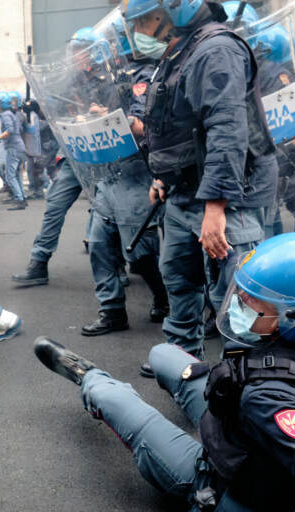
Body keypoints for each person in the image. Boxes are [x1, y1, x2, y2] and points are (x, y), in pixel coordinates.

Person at [34, 232, 295, 510]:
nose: (242, 305)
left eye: (254, 303)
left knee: (120, 403)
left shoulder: (274, 402)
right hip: (243, 430)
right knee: (162, 353)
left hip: (224, 480)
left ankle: (88, 378)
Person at [122, 0, 278, 375]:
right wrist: (164, 177)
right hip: (185, 189)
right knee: (179, 276)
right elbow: (175, 125)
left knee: (235, 294)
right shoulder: (182, 50)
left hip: (226, 196)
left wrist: (216, 206)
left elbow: (226, 129)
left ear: (176, 9)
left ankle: (246, 376)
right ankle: (182, 356)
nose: (141, 30)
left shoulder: (216, 49)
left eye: (146, 19)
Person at [76, 23, 169, 335]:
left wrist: (115, 118)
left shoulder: (143, 74)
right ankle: (112, 310)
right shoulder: (103, 79)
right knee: (100, 244)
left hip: (134, 172)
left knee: (139, 251)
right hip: (108, 171)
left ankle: (163, 297)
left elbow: (142, 125)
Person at [0, 91, 27, 210]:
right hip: (19, 147)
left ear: (2, 104)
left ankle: (19, 199)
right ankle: (22, 199)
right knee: (16, 175)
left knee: (10, 176)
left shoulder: (5, 114)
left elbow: (10, 130)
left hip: (14, 148)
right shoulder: (11, 113)